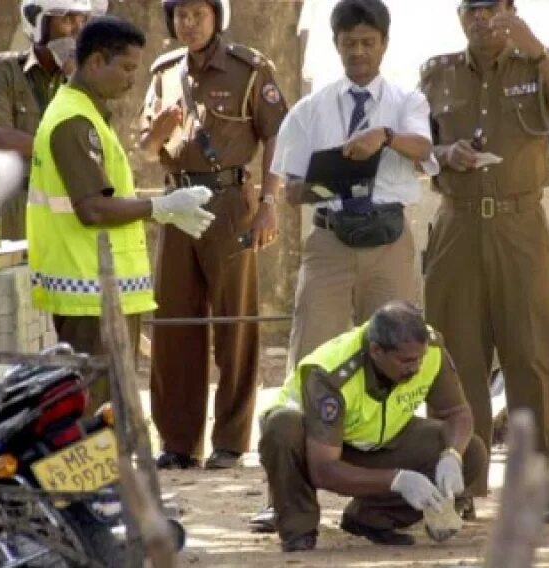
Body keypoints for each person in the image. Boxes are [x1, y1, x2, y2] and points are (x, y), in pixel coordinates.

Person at [419, 0, 549, 517]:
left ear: (511, 10)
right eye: (472, 9)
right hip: (457, 220)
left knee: (533, 355)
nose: (482, 17)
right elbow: (416, 146)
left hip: (520, 223)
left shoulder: (540, 62)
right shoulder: (437, 73)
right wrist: (444, 155)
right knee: (456, 354)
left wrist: (538, 53)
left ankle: (542, 490)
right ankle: (463, 484)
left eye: (492, 6)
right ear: (460, 16)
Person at [27, 15, 214, 413]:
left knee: (113, 415)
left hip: (102, 291)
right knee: (96, 417)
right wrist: (160, 208)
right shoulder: (73, 121)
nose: (133, 79)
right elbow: (92, 208)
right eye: (127, 67)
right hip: (88, 294)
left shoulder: (88, 115)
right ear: (96, 62)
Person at [140, 0, 288, 470]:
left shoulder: (249, 69)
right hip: (177, 204)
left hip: (229, 204)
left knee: (234, 323)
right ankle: (178, 443)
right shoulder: (163, 73)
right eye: (181, 15)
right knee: (174, 325)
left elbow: (278, 137)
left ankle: (230, 440)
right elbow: (146, 147)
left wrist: (268, 205)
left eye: (198, 14)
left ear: (216, 17)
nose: (189, 23)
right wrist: (158, 132)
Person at [271, 0, 436, 372]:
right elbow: (291, 187)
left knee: (397, 351)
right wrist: (319, 185)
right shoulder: (310, 109)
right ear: (336, 44)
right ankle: (313, 429)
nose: (358, 52)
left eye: (367, 42)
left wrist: (385, 136)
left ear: (384, 43)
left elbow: (423, 149)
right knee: (313, 356)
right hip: (330, 241)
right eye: (349, 43)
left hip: (388, 241)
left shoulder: (407, 102)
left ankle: (387, 431)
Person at [258, 301, 487, 552]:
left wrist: (452, 455)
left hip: (378, 438)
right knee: (281, 427)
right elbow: (323, 470)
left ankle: (370, 518)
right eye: (407, 361)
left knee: (472, 452)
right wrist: (397, 480)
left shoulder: (429, 348)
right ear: (376, 350)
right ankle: (298, 529)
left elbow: (456, 412)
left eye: (420, 359)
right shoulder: (331, 373)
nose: (417, 367)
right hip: (315, 444)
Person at [0, 0, 95, 239]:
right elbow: (1, 138)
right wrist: (62, 148)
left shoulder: (82, 77)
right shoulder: (5, 69)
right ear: (38, 21)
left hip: (69, 203)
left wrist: (76, 78)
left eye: (81, 19)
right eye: (67, 19)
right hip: (18, 207)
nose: (77, 28)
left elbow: (94, 138)